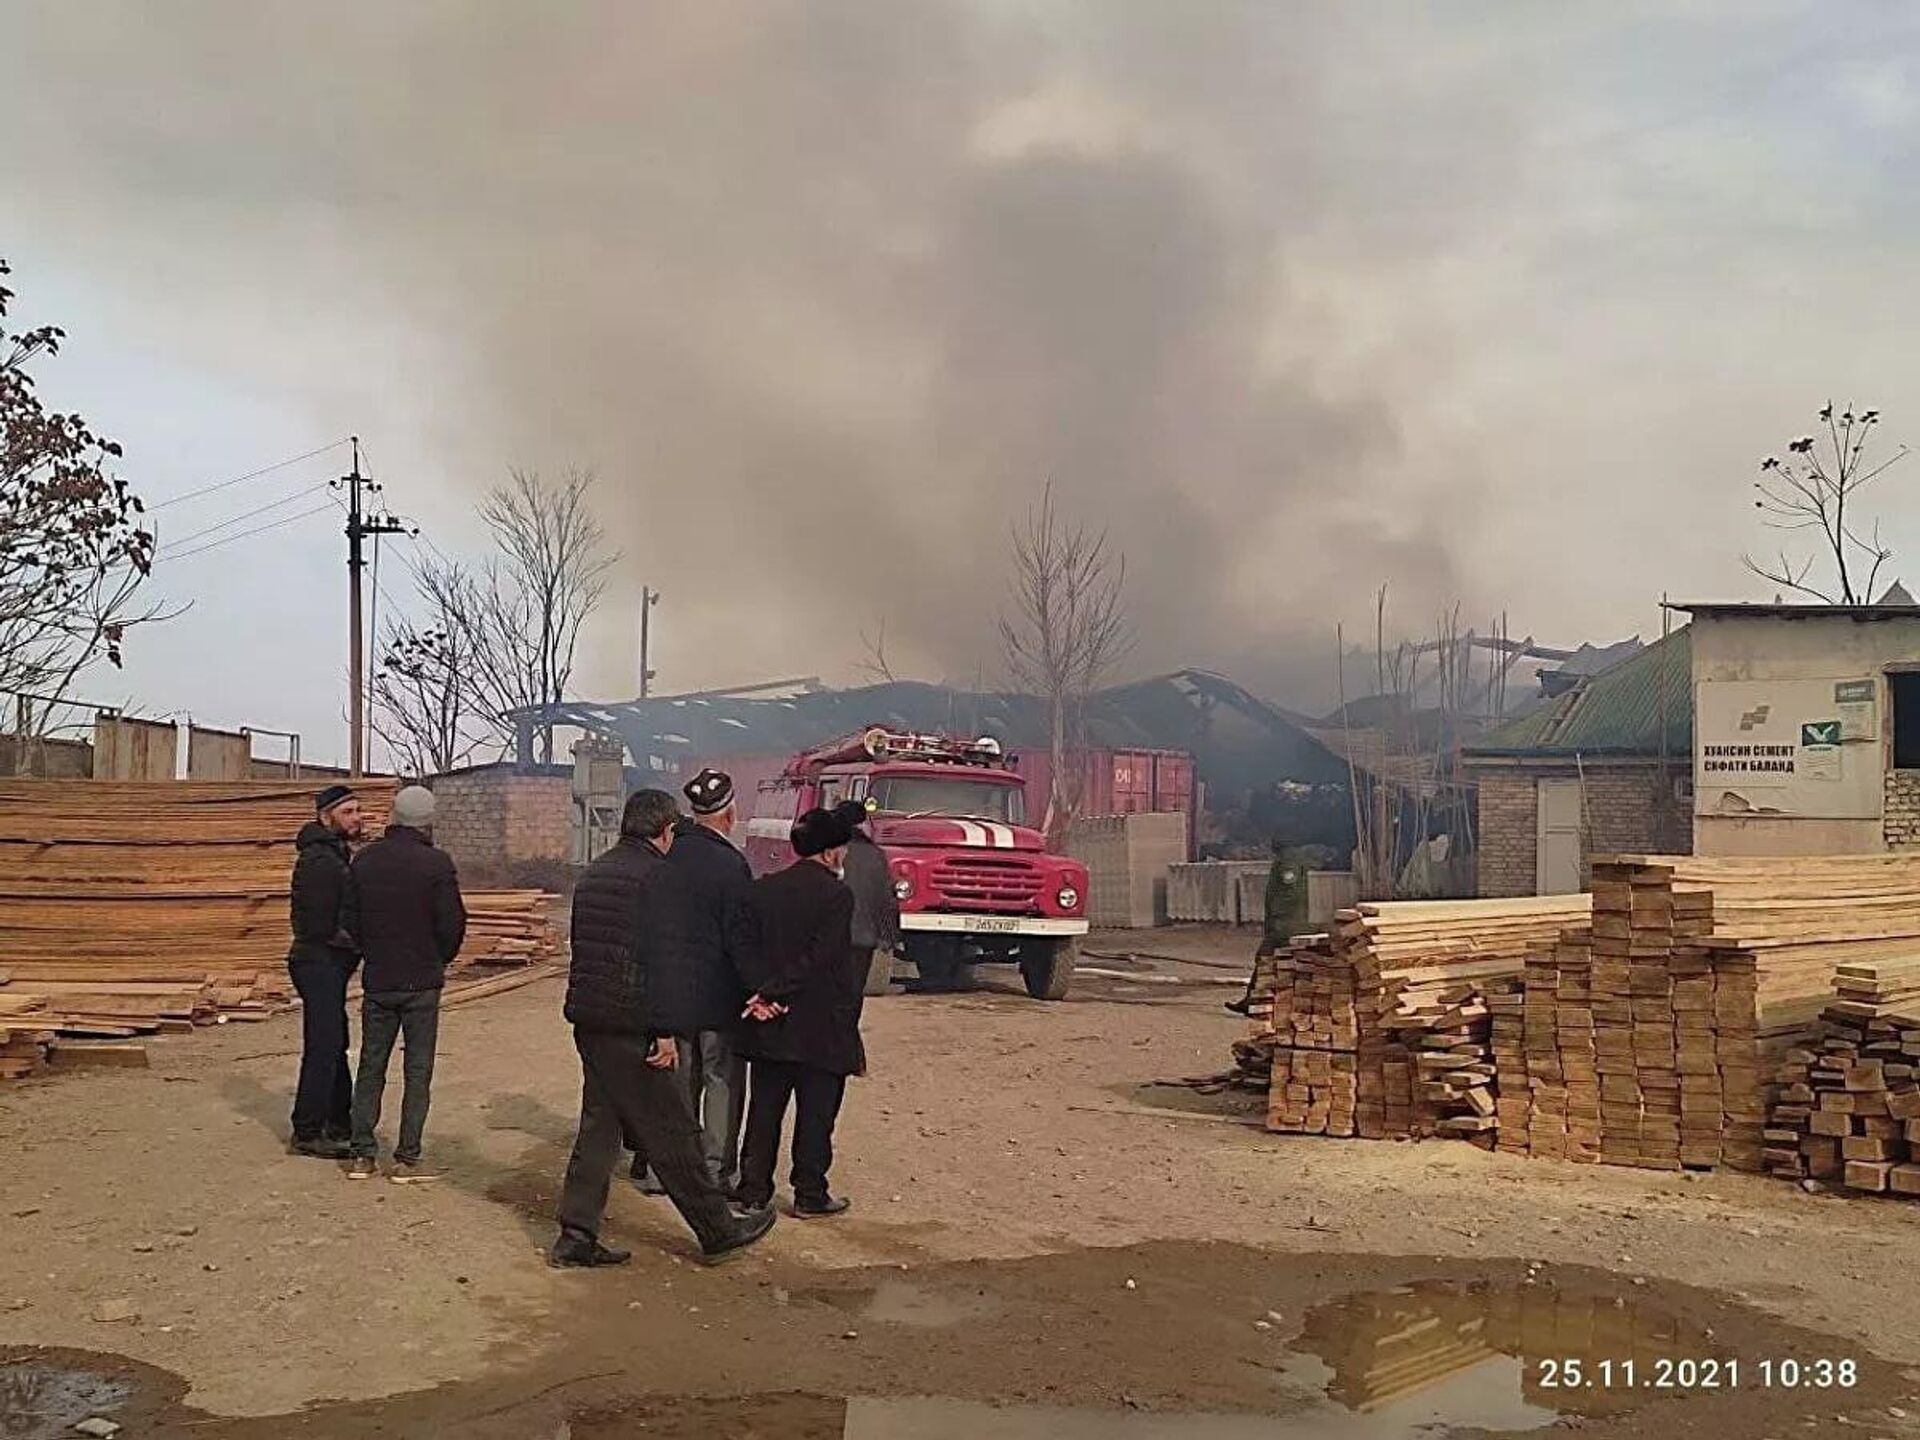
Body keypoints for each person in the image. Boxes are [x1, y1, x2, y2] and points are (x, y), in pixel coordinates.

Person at [552, 788, 777, 1268]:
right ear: (666, 831)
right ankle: (718, 1231)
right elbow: (659, 963)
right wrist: (664, 1031)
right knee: (673, 1131)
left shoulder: (596, 873)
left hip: (590, 1021)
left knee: (599, 1127)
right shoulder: (659, 879)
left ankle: (576, 1234)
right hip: (635, 1026)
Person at [737, 806, 862, 1218]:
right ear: (829, 853)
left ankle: (753, 1190)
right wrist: (776, 991)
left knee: (764, 1112)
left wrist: (764, 995)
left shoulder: (764, 889)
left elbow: (745, 950)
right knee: (816, 1115)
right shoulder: (837, 895)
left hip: (770, 1024)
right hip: (821, 1025)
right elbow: (820, 957)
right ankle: (810, 1194)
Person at [343, 785, 467, 1179]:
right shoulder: (437, 865)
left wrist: (372, 953)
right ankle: (406, 1157)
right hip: (422, 983)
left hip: (379, 979)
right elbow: (452, 924)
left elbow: (349, 920)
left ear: (394, 815)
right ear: (429, 820)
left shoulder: (364, 862)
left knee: (370, 1065)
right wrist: (437, 958)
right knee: (418, 1070)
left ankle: (362, 1153)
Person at [656, 767, 757, 1196]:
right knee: (721, 1081)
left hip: (673, 997)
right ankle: (715, 1169)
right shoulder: (732, 866)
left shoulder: (666, 856)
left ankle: (672, 1170)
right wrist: (757, 987)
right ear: (730, 814)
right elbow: (741, 937)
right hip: (719, 998)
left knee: (681, 1084)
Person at [286, 783, 365, 1159]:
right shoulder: (320, 861)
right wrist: (354, 942)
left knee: (335, 1040)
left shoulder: (334, 854)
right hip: (318, 961)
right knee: (323, 1045)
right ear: (326, 816)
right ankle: (307, 1129)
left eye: (358, 811)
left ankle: (338, 1120)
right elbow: (320, 924)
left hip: (326, 962)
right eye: (348, 812)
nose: (357, 818)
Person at [833, 799, 900, 998]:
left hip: (828, 937)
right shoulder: (875, 855)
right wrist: (888, 936)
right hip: (863, 939)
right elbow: (885, 899)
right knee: (852, 995)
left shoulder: (827, 852)